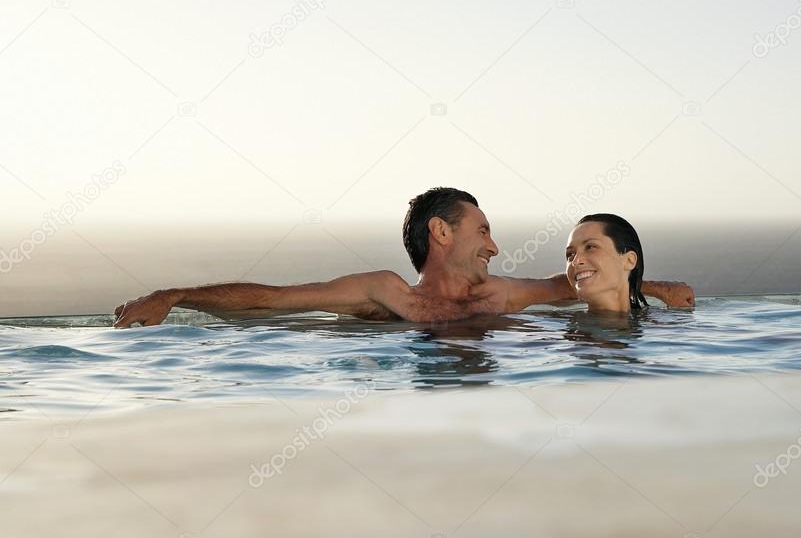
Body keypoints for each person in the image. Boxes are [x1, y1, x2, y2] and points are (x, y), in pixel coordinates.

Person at [113, 188, 693, 327]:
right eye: (484, 231)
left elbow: (574, 284)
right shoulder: (387, 292)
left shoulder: (500, 295)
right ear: (441, 233)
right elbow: (275, 300)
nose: (494, 246)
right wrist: (175, 295)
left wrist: (657, 287)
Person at [565, 213, 654, 314]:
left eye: (590, 247)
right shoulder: (550, 324)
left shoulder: (661, 323)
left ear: (629, 260)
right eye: (570, 254)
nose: (575, 262)